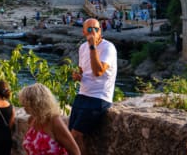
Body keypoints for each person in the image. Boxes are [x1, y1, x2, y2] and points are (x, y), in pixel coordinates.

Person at [68, 18, 117, 153]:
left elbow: (98, 72)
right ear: (84, 32)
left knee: (75, 135)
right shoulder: (82, 47)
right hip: (82, 95)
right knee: (69, 136)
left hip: (99, 98)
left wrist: (93, 47)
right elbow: (83, 70)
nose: (93, 32)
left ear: (100, 31)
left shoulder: (108, 47)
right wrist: (77, 76)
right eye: (89, 29)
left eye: (96, 29)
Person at [19, 83, 80, 155]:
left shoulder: (54, 121)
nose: (23, 106)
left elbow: (75, 152)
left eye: (26, 103)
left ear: (36, 103)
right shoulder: (32, 119)